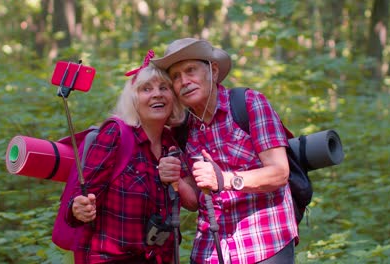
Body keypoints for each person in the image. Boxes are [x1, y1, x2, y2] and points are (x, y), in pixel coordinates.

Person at [153, 38, 298, 264]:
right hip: (210, 250)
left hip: (265, 242)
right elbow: (193, 202)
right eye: (175, 77)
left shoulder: (248, 103)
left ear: (213, 69)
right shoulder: (182, 129)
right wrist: (176, 180)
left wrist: (225, 180)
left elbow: (279, 173)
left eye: (190, 70)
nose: (184, 81)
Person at [66, 50, 186, 264]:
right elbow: (82, 196)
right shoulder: (116, 134)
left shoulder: (172, 145)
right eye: (146, 89)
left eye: (163, 88)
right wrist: (78, 208)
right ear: (133, 99)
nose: (157, 94)